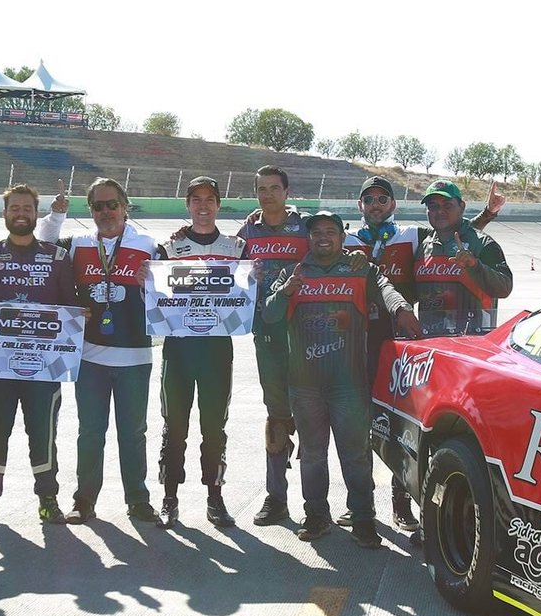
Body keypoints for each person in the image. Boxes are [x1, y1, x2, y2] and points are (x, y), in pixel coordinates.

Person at [344, 177, 503, 534]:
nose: (375, 204)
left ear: (393, 204)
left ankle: (403, 504)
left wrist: (486, 217)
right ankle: (360, 503)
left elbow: (452, 231)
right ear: (360, 205)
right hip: (358, 341)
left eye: (382, 198)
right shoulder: (349, 239)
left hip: (410, 342)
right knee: (360, 423)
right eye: (368, 199)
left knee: (406, 425)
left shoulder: (410, 236)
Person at [263, 211, 419, 547]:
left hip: (349, 384)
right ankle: (316, 515)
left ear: (341, 235)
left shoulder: (360, 269)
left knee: (355, 455)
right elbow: (270, 314)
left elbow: (387, 289)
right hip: (305, 385)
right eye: (317, 232)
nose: (323, 237)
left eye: (330, 232)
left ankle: (363, 517)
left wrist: (402, 309)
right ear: (309, 237)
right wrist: (285, 293)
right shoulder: (294, 272)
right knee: (314, 455)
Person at [38, 177, 163, 526]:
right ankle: (84, 499)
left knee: (133, 433)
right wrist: (56, 215)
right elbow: (40, 247)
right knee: (90, 432)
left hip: (135, 357)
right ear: (90, 210)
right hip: (90, 356)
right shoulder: (78, 243)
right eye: (98, 206)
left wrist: (148, 287)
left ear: (125, 206)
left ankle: (138, 499)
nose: (106, 211)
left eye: (112, 204)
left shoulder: (150, 245)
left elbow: (170, 301)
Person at [0, 185, 76, 528]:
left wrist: (78, 317)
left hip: (44, 366)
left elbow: (71, 305)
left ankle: (48, 499)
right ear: (5, 214)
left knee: (43, 435)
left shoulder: (57, 258)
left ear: (35, 212)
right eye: (15, 208)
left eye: (27, 208)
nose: (21, 213)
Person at [154, 176, 245, 527]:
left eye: (210, 199)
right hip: (178, 350)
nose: (203, 206)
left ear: (219, 205)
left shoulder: (236, 248)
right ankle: (169, 498)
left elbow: (244, 298)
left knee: (214, 427)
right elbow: (155, 299)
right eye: (196, 199)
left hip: (217, 350)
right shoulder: (168, 248)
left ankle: (215, 497)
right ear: (187, 205)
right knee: (173, 427)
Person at [235, 166, 311, 525]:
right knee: (276, 417)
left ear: (286, 191)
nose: (267, 195)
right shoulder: (248, 230)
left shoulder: (307, 225)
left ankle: (318, 505)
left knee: (314, 417)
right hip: (268, 334)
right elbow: (225, 265)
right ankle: (276, 497)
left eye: (273, 188)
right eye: (261, 189)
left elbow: (338, 248)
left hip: (309, 333)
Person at [413, 180, 514, 338]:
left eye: (448, 205)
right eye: (433, 206)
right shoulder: (423, 246)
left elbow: (504, 288)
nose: (440, 211)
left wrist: (474, 265)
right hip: (431, 344)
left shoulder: (483, 243)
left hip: (471, 345)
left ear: (462, 207)